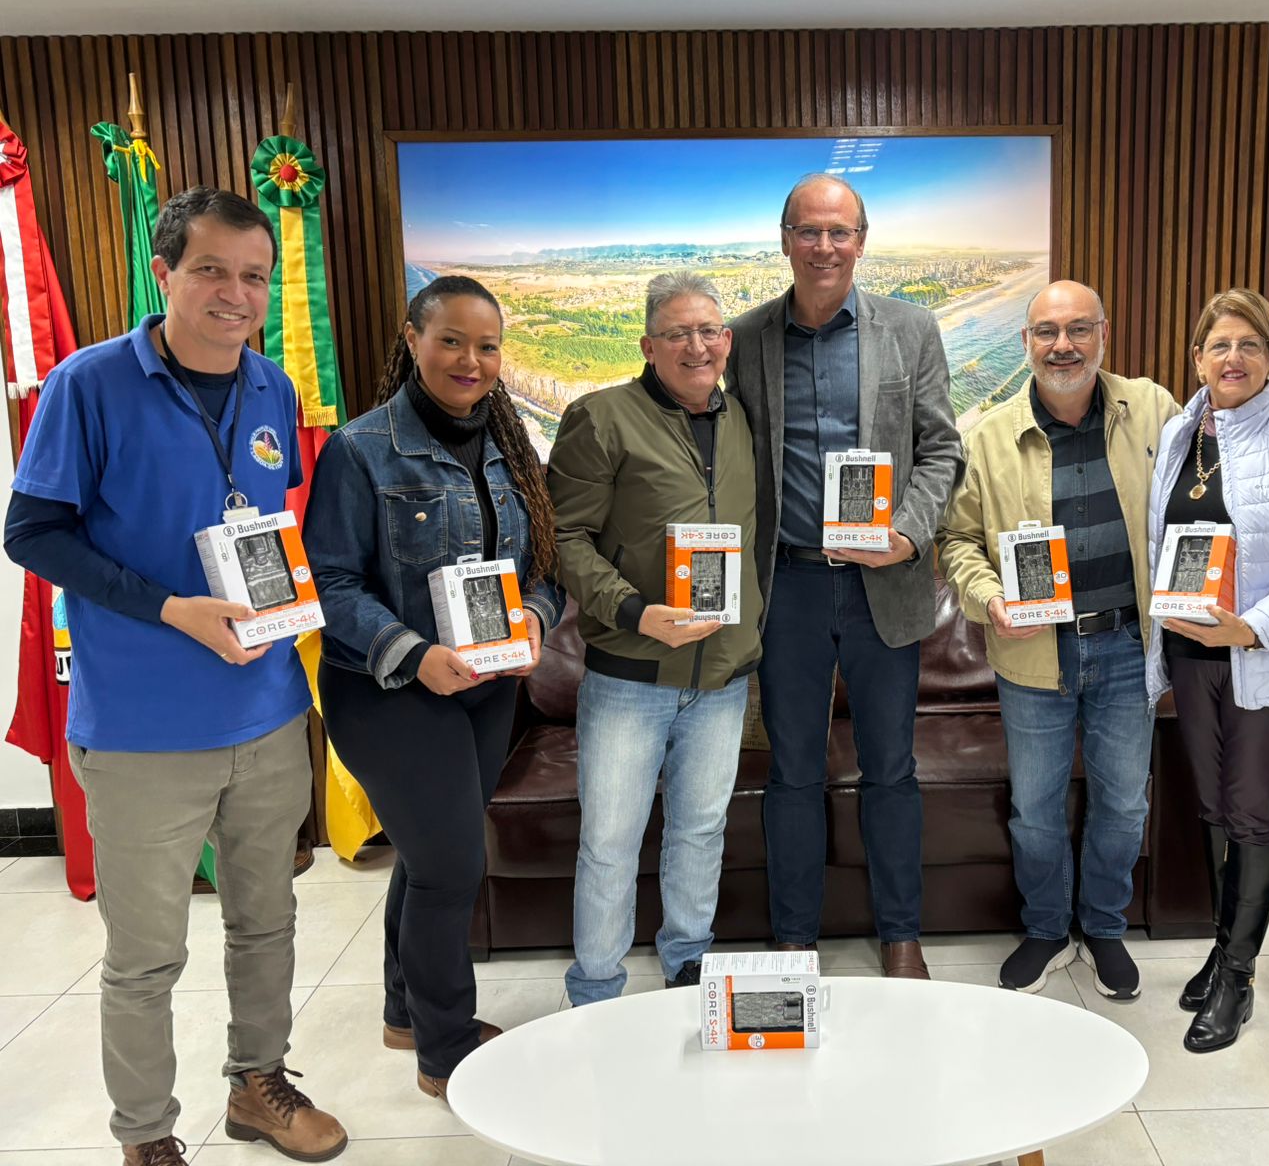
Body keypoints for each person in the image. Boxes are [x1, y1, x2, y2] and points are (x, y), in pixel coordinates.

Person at [4, 187, 347, 1166]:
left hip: (267, 714)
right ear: (162, 273)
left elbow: (261, 525)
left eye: (254, 276)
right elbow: (32, 532)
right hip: (142, 731)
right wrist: (171, 609)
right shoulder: (88, 384)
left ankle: (257, 1084)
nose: (236, 295)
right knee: (146, 955)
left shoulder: (273, 387)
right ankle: (147, 1137)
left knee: (267, 924)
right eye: (211, 271)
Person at [302, 275, 562, 1102]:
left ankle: (404, 1012)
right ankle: (445, 1050)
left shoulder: (511, 447)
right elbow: (330, 583)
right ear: (413, 339)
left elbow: (544, 569)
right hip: (388, 691)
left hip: (485, 690)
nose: (470, 360)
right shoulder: (360, 449)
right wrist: (413, 654)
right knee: (451, 868)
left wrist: (535, 623)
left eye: (487, 346)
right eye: (451, 340)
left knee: (428, 855)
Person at [724, 173, 963, 979]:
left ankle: (901, 933)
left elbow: (942, 449)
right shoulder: (746, 338)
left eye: (839, 232)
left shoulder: (911, 328)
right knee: (793, 771)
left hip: (883, 587)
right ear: (784, 239)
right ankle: (795, 939)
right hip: (787, 584)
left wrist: (908, 533)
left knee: (890, 768)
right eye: (809, 230)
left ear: (861, 242)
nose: (824, 246)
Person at [938, 280, 1179, 1000]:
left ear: (1104, 334)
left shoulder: (1154, 409)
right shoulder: (988, 437)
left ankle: (1103, 926)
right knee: (1035, 808)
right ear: (1026, 343)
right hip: (1033, 654)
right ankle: (1046, 928)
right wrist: (989, 599)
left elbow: (1199, 498)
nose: (1062, 345)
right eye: (1046, 331)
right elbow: (957, 541)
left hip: (1128, 646)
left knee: (1124, 804)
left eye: (1078, 329)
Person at [547, 270, 763, 1005]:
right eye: (676, 333)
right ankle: (595, 989)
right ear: (647, 345)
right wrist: (634, 610)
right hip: (629, 676)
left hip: (723, 677)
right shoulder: (601, 418)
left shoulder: (745, 420)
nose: (696, 347)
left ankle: (688, 964)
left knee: (701, 830)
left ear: (726, 341)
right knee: (610, 842)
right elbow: (563, 538)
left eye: (708, 331)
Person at [1144, 288, 1269, 1052]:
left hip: (1267, 656)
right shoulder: (1177, 434)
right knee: (1213, 809)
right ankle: (1223, 948)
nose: (1233, 358)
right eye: (1219, 344)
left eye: (1250, 344)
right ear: (1197, 356)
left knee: (1251, 811)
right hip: (1191, 654)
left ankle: (1238, 977)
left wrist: (1252, 629)